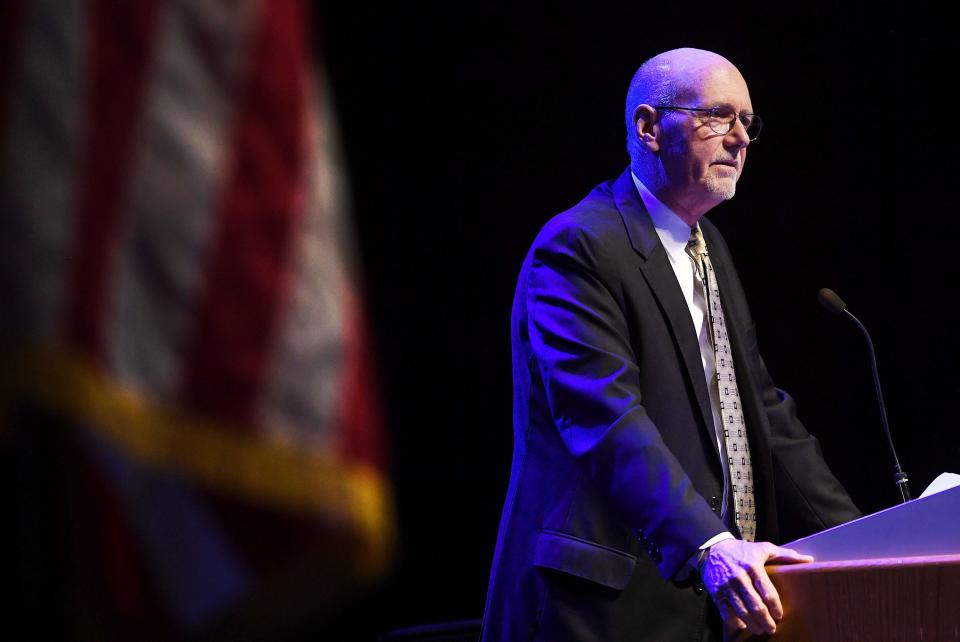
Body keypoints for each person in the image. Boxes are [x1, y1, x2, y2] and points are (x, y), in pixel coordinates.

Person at [481, 48, 861, 641]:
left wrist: (862, 546)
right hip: (598, 606)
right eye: (717, 116)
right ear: (649, 128)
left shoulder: (709, 248)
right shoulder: (579, 246)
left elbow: (760, 415)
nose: (740, 139)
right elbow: (604, 418)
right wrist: (708, 544)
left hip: (697, 606)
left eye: (748, 122)